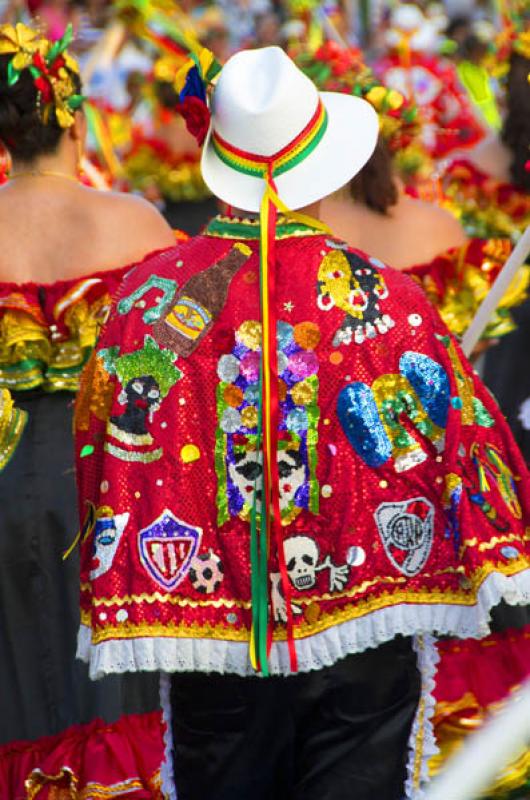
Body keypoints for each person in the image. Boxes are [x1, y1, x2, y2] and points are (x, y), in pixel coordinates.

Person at [76, 46, 530, 800]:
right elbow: (470, 444)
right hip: (362, 637)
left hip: (209, 644)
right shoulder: (387, 298)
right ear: (324, 168)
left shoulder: (142, 306)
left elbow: (105, 461)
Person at [0, 21, 175, 746]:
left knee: (17, 693)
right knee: (118, 692)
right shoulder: (135, 221)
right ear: (74, 122)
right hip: (115, 473)